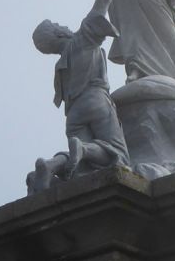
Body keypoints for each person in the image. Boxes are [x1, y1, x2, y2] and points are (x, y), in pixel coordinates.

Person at [26, 11, 130, 193]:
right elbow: (102, 0)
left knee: (84, 167)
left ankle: (52, 165)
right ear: (58, 33)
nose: (64, 26)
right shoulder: (82, 41)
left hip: (73, 114)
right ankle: (82, 148)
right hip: (95, 100)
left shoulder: (60, 66)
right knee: (118, 155)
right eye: (58, 25)